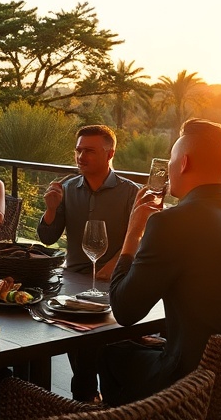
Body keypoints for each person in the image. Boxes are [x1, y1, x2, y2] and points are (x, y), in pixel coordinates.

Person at [100, 118, 221, 405]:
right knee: (144, 346)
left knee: (109, 350)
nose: (169, 168)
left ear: (183, 163)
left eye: (171, 159)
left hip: (199, 384)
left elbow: (124, 310)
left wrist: (133, 232)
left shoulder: (172, 223)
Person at [35, 124, 140, 402]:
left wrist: (115, 266)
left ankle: (90, 395)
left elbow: (140, 236)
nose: (80, 156)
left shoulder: (131, 193)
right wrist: (51, 208)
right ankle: (86, 395)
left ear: (110, 154)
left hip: (114, 282)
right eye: (78, 150)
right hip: (74, 279)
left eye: (89, 151)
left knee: (91, 339)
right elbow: (47, 237)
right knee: (74, 330)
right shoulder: (67, 188)